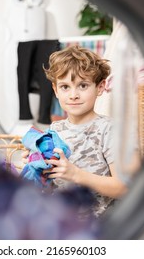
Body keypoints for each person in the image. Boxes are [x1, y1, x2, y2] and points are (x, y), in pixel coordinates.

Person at [36, 45, 128, 218]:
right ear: (55, 90)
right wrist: (37, 166)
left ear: (100, 87)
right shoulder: (54, 130)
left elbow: (124, 187)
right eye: (65, 87)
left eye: (83, 85)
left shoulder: (109, 130)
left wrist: (76, 174)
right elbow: (51, 185)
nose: (73, 95)